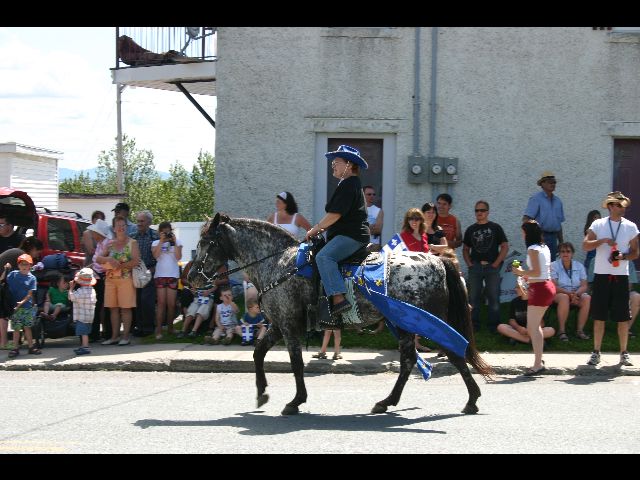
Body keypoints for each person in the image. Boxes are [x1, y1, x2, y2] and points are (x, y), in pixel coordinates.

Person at [305, 145, 370, 317]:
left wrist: (315, 229)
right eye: (332, 162)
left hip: (352, 236)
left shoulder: (349, 184)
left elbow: (334, 215)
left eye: (336, 162)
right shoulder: (348, 184)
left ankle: (338, 299)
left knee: (324, 257)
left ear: (349, 164)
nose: (332, 165)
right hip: (349, 234)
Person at [583, 191, 639, 367]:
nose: (622, 208)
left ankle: (624, 353)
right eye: (619, 204)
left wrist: (622, 256)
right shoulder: (598, 224)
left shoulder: (630, 226)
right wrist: (601, 241)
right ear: (610, 206)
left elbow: (636, 252)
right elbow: (585, 245)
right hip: (601, 276)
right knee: (599, 316)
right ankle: (596, 352)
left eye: (623, 205)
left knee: (623, 317)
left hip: (621, 277)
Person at [512, 221, 556, 375]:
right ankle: (539, 359)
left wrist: (520, 272)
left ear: (528, 233)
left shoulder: (532, 249)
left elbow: (536, 271)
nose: (522, 235)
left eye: (523, 232)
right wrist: (525, 276)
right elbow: (541, 271)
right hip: (545, 286)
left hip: (540, 289)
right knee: (535, 327)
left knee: (532, 328)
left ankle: (538, 364)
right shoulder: (544, 247)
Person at [463, 200, 509, 333]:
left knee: (493, 296)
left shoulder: (495, 227)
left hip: (492, 267)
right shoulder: (471, 229)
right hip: (475, 267)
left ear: (488, 212)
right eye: (477, 210)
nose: (479, 213)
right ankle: (473, 326)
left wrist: (496, 263)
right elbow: (465, 249)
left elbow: (505, 246)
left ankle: (494, 326)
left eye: (482, 210)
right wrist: (470, 264)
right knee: (473, 297)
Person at [96, 216, 140, 346]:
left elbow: (135, 261)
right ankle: (115, 336)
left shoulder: (132, 243)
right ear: (114, 228)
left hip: (126, 279)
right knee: (113, 308)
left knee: (125, 309)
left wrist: (120, 265)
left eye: (123, 225)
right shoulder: (110, 243)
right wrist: (109, 260)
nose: (121, 228)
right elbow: (98, 259)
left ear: (126, 227)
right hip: (110, 279)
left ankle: (125, 336)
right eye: (118, 226)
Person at [398, 208, 433, 352]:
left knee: (419, 311)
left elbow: (425, 253)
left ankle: (416, 343)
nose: (414, 221)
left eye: (417, 218)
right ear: (407, 221)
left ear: (421, 221)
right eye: (411, 219)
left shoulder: (424, 236)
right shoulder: (403, 236)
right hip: (408, 277)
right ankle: (403, 343)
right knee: (406, 311)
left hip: (421, 277)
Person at [0, 236, 43, 349]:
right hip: (2, 282)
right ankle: (4, 343)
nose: (37, 255)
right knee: (4, 314)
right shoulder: (22, 257)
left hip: (3, 281)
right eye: (37, 252)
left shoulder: (18, 252)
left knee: (4, 314)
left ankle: (5, 342)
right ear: (33, 248)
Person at [550, 242, 591, 341]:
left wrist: (576, 294)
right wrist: (569, 294)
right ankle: (562, 331)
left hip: (576, 294)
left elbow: (584, 285)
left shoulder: (579, 266)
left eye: (568, 251)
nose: (565, 253)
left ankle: (580, 331)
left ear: (572, 253)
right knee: (564, 298)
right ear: (559, 253)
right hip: (558, 294)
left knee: (587, 298)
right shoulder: (553, 265)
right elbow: (553, 286)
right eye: (562, 251)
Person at [523, 171, 565, 262]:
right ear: (542, 184)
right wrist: (535, 235)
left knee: (552, 266)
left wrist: (561, 242)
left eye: (554, 182)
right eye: (550, 182)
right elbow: (526, 219)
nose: (552, 184)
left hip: (553, 238)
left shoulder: (558, 201)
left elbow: (558, 225)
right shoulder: (536, 199)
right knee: (540, 266)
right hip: (539, 238)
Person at [151, 221, 182, 340]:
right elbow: (155, 256)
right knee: (161, 304)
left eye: (168, 231)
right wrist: (161, 241)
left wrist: (175, 242)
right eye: (164, 232)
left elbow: (178, 257)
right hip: (160, 275)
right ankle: (158, 329)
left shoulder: (177, 242)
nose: (167, 234)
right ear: (160, 232)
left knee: (171, 304)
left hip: (173, 275)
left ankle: (170, 328)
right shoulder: (155, 243)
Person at [6, 254, 40, 358]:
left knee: (27, 328)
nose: (24, 266)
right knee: (16, 329)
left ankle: (31, 347)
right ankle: (15, 348)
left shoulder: (32, 278)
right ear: (18, 265)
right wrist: (6, 269)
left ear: (30, 265)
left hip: (27, 307)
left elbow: (30, 294)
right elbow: (3, 280)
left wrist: (21, 302)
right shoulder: (12, 274)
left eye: (26, 264)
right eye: (22, 264)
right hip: (15, 308)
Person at [131, 210, 159, 336]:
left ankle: (148, 328)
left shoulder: (155, 236)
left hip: (150, 271)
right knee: (137, 301)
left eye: (142, 221)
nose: (139, 224)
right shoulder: (133, 237)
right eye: (138, 221)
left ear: (149, 222)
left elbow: (161, 255)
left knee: (147, 300)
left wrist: (154, 268)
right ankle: (140, 327)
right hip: (136, 272)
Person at [87, 219, 112, 342]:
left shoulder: (108, 243)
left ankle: (106, 332)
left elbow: (101, 260)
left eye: (94, 232)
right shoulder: (101, 243)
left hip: (104, 276)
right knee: (97, 305)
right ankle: (95, 333)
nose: (92, 234)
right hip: (97, 276)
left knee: (104, 305)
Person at [68, 267, 97, 355]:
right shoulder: (92, 290)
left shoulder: (80, 291)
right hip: (90, 315)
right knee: (86, 332)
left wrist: (70, 289)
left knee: (83, 333)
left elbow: (71, 298)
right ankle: (83, 346)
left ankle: (85, 347)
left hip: (82, 316)